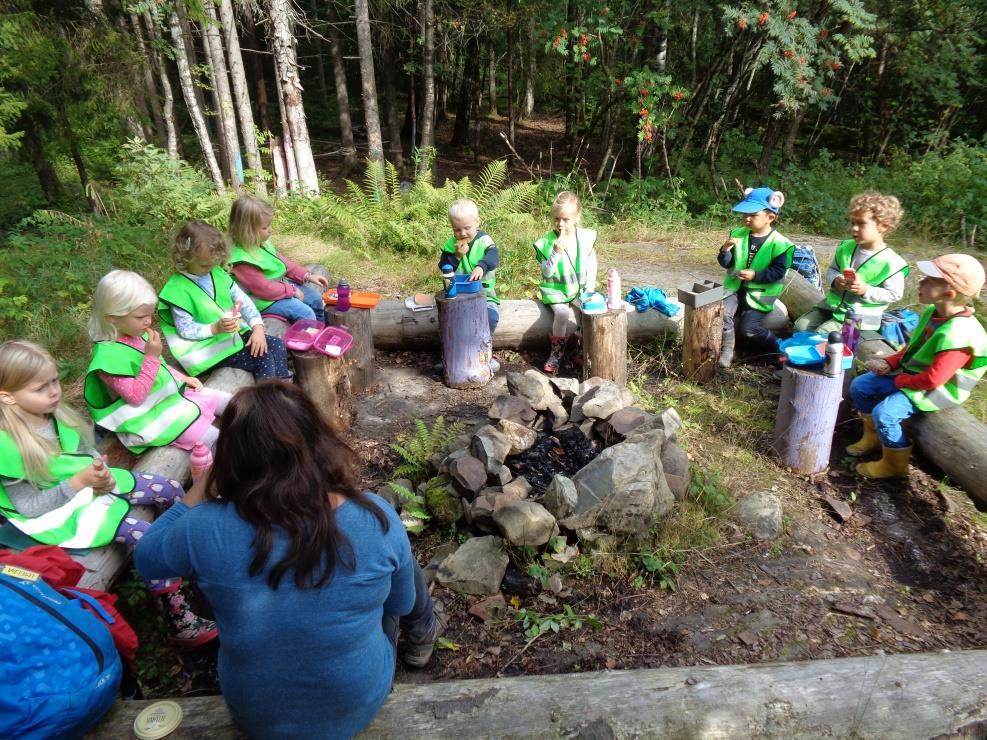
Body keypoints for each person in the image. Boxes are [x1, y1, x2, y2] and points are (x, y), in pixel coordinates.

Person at [135, 382, 445, 738]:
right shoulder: (375, 516)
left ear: (231, 457)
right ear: (319, 445)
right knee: (394, 580)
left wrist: (200, 489)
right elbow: (401, 604)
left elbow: (147, 558)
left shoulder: (202, 528)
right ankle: (425, 631)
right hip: (356, 705)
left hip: (256, 716)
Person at [0, 340, 217, 646]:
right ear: (7, 397)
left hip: (87, 482)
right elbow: (30, 507)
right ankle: (177, 617)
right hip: (59, 511)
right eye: (40, 388)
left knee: (169, 488)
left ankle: (188, 551)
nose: (54, 391)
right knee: (144, 536)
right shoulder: (7, 446)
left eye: (54, 381)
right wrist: (80, 483)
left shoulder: (52, 413)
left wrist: (97, 470)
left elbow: (81, 451)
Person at [848, 254, 987, 479]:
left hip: (939, 389)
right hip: (917, 377)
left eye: (929, 279)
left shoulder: (959, 333)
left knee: (885, 413)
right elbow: (913, 347)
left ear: (948, 293)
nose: (921, 281)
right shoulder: (934, 313)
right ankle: (872, 436)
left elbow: (934, 379)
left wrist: (901, 381)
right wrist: (891, 362)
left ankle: (894, 464)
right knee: (860, 386)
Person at [85, 270, 231, 453]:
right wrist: (151, 357)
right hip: (151, 416)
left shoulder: (134, 333)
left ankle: (255, 428)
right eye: (140, 317)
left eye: (150, 314)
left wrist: (180, 378)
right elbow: (136, 396)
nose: (148, 321)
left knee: (227, 401)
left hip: (169, 396)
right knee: (214, 439)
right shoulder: (107, 359)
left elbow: (159, 367)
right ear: (112, 318)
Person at [157, 221, 291, 380]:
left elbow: (244, 301)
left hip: (229, 337)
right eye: (204, 265)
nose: (209, 269)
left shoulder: (215, 272)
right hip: (206, 351)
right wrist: (214, 328)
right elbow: (185, 330)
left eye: (213, 263)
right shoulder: (177, 289)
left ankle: (284, 389)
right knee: (263, 356)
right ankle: (268, 399)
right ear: (185, 258)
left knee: (276, 345)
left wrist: (257, 327)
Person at [795, 192, 909, 334]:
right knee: (801, 327)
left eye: (861, 224)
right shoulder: (846, 247)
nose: (854, 228)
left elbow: (894, 294)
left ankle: (827, 355)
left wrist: (866, 290)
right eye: (853, 223)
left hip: (862, 318)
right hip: (833, 307)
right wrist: (836, 280)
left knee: (822, 334)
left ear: (883, 227)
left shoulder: (892, 262)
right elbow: (833, 269)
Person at [717, 187, 796, 368]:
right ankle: (728, 350)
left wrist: (755, 275)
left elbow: (777, 272)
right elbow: (727, 263)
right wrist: (724, 251)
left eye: (753, 214)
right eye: (745, 214)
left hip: (759, 295)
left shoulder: (779, 244)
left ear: (770, 217)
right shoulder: (738, 234)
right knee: (722, 313)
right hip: (734, 289)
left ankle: (777, 347)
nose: (747, 218)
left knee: (748, 329)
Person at [228, 194, 330, 323]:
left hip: (279, 288)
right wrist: (292, 290)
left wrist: (307, 275)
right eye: (265, 227)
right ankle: (306, 339)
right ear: (246, 230)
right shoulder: (242, 260)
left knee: (315, 298)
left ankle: (319, 331)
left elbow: (283, 263)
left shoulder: (261, 243)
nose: (270, 230)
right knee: (305, 313)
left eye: (269, 225)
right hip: (261, 301)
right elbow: (264, 289)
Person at [534, 191, 598, 373]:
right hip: (556, 289)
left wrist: (590, 290)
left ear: (576, 217)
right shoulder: (547, 242)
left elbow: (592, 262)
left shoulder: (584, 238)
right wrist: (555, 253)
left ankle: (580, 350)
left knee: (585, 314)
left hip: (578, 289)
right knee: (562, 314)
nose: (560, 224)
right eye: (556, 219)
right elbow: (546, 272)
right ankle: (557, 353)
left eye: (565, 219)